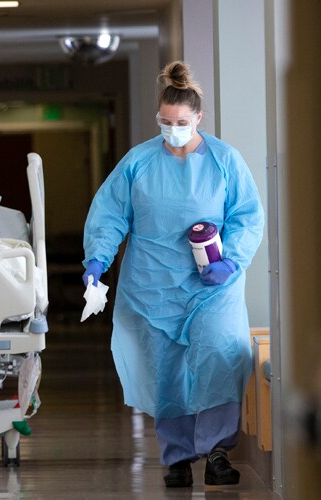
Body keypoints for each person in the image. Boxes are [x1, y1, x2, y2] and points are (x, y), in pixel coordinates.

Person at [81, 61, 264, 488]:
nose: (173, 129)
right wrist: (97, 261)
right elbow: (110, 216)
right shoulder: (138, 163)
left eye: (182, 122)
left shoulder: (224, 160)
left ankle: (218, 453)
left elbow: (247, 217)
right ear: (158, 119)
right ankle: (177, 457)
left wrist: (231, 260)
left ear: (198, 117)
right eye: (165, 122)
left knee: (219, 357)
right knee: (165, 372)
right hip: (152, 285)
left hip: (212, 285)